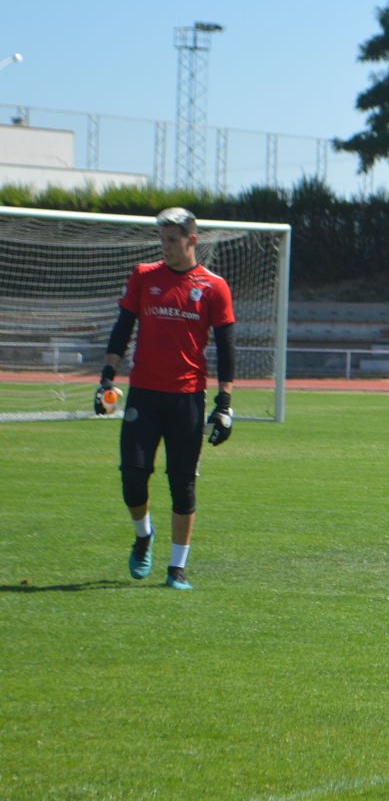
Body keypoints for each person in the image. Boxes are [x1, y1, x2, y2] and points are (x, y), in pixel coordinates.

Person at [94, 207, 236, 591]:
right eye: (162, 240)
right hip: (143, 394)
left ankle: (177, 568)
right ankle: (144, 535)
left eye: (173, 240)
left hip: (187, 399)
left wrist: (224, 403)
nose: (166, 247)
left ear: (193, 240)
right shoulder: (143, 276)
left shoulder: (214, 286)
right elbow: (122, 328)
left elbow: (226, 348)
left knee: (183, 483)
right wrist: (106, 377)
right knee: (133, 477)